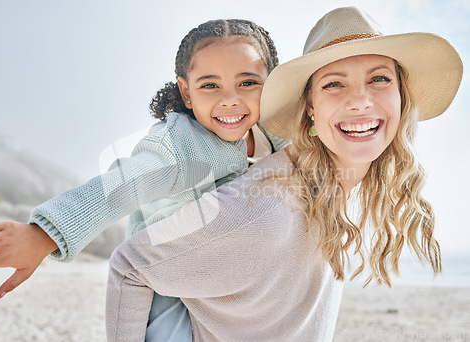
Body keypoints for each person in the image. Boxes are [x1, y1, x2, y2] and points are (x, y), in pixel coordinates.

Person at [105, 6, 463, 341]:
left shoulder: (330, 179)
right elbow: (129, 266)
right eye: (334, 84)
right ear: (309, 106)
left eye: (380, 79)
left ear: (401, 96)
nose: (360, 101)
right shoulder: (268, 206)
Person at [0, 19, 286, 341]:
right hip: (165, 278)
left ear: (271, 84)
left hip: (226, 274)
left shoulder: (275, 135)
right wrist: (44, 235)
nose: (230, 99)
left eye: (247, 83)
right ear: (187, 93)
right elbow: (122, 185)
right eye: (210, 85)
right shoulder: (180, 147)